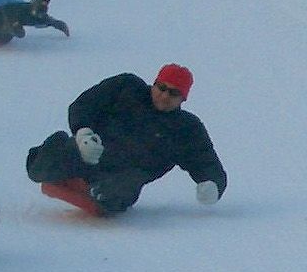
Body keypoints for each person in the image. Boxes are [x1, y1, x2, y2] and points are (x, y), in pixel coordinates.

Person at [24, 64, 227, 216]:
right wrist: (83, 132)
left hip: (124, 176)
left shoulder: (186, 128)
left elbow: (206, 161)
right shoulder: (126, 87)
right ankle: (64, 170)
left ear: (183, 99)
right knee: (39, 167)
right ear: (154, 84)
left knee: (117, 193)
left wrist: (212, 185)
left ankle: (93, 192)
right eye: (161, 87)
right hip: (88, 153)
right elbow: (85, 104)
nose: (164, 96)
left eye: (173, 93)